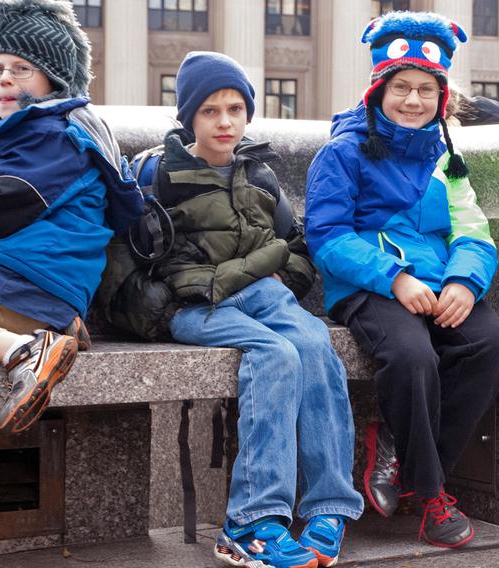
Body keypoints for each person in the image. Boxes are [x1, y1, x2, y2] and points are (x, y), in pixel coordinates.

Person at [104, 52, 363, 568]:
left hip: (262, 295)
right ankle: (252, 522)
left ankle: (328, 506)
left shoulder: (259, 174)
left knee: (315, 346)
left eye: (235, 109)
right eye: (210, 111)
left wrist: (278, 273)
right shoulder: (156, 174)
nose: (225, 122)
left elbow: (298, 248)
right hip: (189, 304)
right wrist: (158, 311)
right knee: (276, 354)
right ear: (188, 117)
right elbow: (120, 263)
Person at [304, 11, 499, 549]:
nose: (413, 100)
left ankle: (397, 446)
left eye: (425, 89)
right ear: (380, 89)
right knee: (412, 354)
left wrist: (465, 282)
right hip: (370, 287)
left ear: (441, 98)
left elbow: (472, 228)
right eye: (402, 87)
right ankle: (432, 495)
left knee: (490, 343)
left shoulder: (446, 156)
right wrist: (394, 278)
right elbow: (327, 236)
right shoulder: (343, 151)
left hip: (439, 282)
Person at [0, 0, 143, 434]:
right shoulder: (26, 134)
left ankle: (25, 352)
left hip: (23, 282)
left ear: (52, 80)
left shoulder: (53, 136)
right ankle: (51, 329)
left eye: (22, 68)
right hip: (25, 280)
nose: (4, 78)